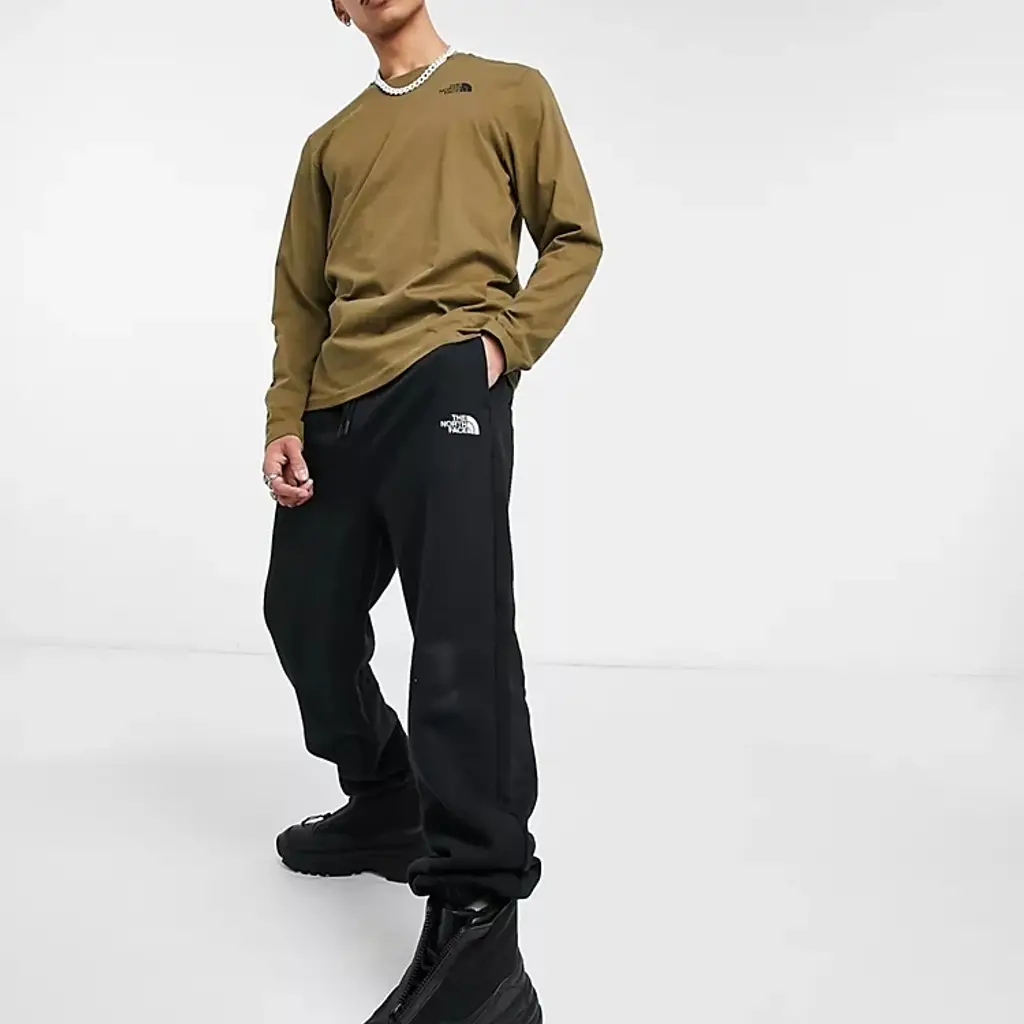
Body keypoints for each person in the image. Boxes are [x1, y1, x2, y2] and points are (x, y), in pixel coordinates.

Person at [261, 0, 601, 1020]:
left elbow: (574, 237)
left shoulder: (509, 92)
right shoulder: (331, 142)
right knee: (304, 616)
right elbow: (299, 299)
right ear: (339, 8)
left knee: (460, 639)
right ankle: (386, 799)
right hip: (335, 406)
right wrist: (285, 416)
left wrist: (502, 346)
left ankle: (480, 923)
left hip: (445, 380)